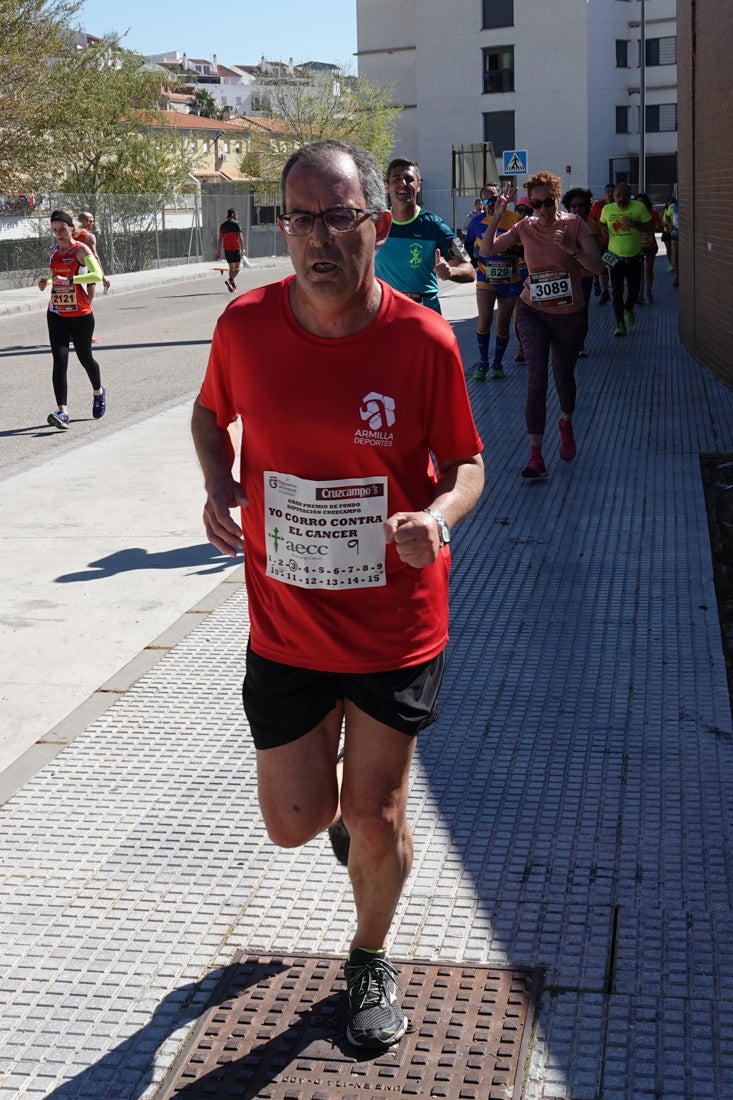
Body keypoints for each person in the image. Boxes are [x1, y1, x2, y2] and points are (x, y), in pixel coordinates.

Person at [190, 139, 484, 1051]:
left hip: (396, 621)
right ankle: (349, 838)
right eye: (304, 217)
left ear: (377, 224)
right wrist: (220, 482)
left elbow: (467, 465)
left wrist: (436, 520)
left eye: (341, 216)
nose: (322, 236)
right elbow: (210, 412)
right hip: (284, 621)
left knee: (375, 812)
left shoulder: (422, 338)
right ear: (283, 227)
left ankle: (367, 954)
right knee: (296, 822)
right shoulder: (243, 326)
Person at [479, 173, 605, 479]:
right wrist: (498, 215)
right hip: (533, 311)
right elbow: (487, 251)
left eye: (548, 201)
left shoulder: (575, 224)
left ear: (557, 197)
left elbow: (599, 266)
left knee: (563, 376)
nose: (543, 208)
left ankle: (565, 422)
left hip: (569, 314)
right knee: (536, 381)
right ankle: (535, 456)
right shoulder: (524, 227)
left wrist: (572, 250)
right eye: (536, 203)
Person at [374, 157, 474, 313]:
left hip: (423, 312)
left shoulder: (435, 226)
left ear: (419, 185)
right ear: (387, 186)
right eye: (397, 179)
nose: (403, 184)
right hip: (385, 311)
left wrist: (451, 272)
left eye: (409, 179)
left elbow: (469, 270)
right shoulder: (375, 224)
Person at [37, 209, 106, 430]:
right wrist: (46, 281)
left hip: (80, 314)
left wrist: (69, 278)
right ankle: (63, 412)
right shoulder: (53, 251)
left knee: (85, 358)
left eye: (62, 229)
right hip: (56, 312)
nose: (59, 234)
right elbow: (55, 276)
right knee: (59, 361)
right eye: (55, 230)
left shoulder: (81, 249)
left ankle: (98, 391)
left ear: (71, 228)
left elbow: (95, 275)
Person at [464, 184, 523, 381]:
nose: (491, 203)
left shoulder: (514, 219)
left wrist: (511, 252)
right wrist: (472, 262)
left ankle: (497, 363)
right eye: (486, 200)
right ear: (482, 203)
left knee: (503, 324)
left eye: (494, 198)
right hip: (485, 277)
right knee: (485, 319)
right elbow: (467, 243)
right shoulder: (477, 221)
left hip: (509, 280)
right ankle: (483, 363)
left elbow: (524, 249)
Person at [599, 183, 652, 337]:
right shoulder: (607, 209)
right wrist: (603, 229)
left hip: (635, 256)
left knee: (634, 290)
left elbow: (650, 226)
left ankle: (629, 307)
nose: (621, 199)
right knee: (617, 291)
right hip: (615, 256)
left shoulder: (639, 208)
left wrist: (636, 224)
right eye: (618, 196)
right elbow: (601, 222)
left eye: (625, 196)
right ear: (613, 196)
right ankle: (620, 324)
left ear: (630, 196)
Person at [562, 187, 600, 356]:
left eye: (581, 205)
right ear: (568, 208)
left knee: (581, 310)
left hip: (585, 275)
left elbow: (603, 247)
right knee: (566, 310)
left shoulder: (593, 226)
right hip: (566, 275)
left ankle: (579, 344)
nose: (577, 209)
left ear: (587, 207)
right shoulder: (562, 225)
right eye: (573, 206)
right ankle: (566, 341)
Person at [74, 210, 111, 301]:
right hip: (84, 269)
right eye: (90, 221)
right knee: (88, 301)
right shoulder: (88, 236)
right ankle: (88, 308)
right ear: (83, 222)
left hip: (72, 270)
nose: (92, 223)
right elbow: (95, 256)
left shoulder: (69, 235)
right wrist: (103, 276)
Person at [588, 183, 615, 303]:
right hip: (602, 243)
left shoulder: (619, 206)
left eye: (611, 192)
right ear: (605, 193)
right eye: (607, 192)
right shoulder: (598, 205)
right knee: (602, 268)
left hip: (615, 244)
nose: (609, 194)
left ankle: (610, 291)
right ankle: (602, 289)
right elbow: (591, 220)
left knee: (612, 268)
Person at [634, 193, 663, 304]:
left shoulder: (652, 214)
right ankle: (640, 294)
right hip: (637, 246)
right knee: (640, 271)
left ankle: (649, 291)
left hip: (650, 245)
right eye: (638, 201)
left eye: (642, 201)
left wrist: (649, 229)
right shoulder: (633, 214)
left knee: (648, 270)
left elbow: (660, 228)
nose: (640, 204)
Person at [215, 208, 249, 292]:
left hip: (226, 249)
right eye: (236, 214)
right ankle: (230, 280)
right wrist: (243, 248)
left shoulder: (223, 225)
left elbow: (220, 239)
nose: (237, 216)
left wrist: (218, 251)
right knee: (237, 268)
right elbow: (240, 237)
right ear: (233, 214)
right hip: (235, 248)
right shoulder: (236, 224)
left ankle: (233, 285)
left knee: (231, 268)